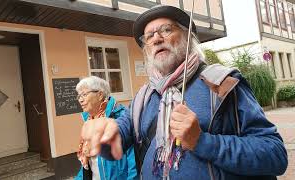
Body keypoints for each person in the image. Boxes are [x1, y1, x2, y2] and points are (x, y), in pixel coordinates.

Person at [80, 5, 288, 180]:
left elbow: (275, 154)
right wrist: (103, 137)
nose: (156, 39)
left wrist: (202, 141)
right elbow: (116, 142)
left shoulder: (222, 83)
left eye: (166, 30)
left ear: (188, 38)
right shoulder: (143, 97)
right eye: (149, 36)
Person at [75, 76, 137, 180]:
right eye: (79, 96)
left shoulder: (122, 118)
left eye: (84, 94)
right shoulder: (89, 122)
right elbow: (87, 164)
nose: (80, 100)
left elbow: (134, 164)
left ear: (100, 95)